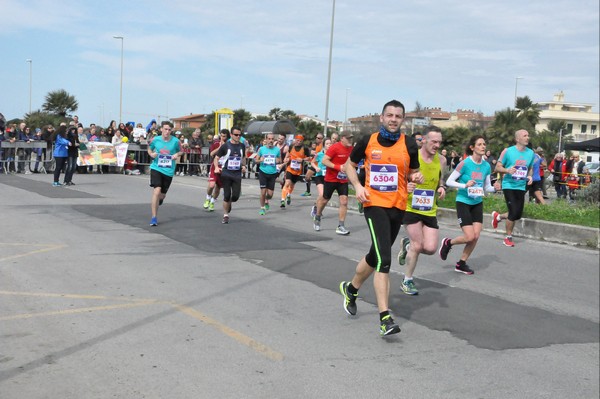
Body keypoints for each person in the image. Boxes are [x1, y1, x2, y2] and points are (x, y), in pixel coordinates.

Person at [339, 99, 422, 337]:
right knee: (384, 260)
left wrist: (415, 178)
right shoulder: (368, 140)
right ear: (381, 117)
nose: (394, 119)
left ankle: (351, 289)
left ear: (402, 120)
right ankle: (385, 318)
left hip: (398, 206)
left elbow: (413, 171)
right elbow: (349, 165)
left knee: (375, 254)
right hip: (373, 204)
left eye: (398, 116)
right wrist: (357, 186)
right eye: (390, 115)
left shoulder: (409, 144)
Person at [396, 126, 447, 295]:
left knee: (431, 248)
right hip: (410, 207)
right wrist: (406, 185)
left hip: (429, 208)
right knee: (418, 245)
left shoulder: (441, 160)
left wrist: (441, 187)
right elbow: (400, 178)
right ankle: (407, 280)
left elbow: (440, 179)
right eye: (433, 141)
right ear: (424, 140)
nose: (437, 145)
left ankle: (407, 244)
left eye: (439, 142)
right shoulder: (412, 156)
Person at [439, 135, 500, 274]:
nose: (483, 146)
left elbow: (486, 188)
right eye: (479, 144)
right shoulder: (465, 163)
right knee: (469, 237)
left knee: (476, 236)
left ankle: (461, 263)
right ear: (472, 147)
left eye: (484, 144)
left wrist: (495, 188)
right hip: (463, 202)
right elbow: (449, 181)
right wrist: (464, 185)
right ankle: (448, 243)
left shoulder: (486, 166)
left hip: (477, 202)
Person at [491, 129, 535, 247]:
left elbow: (530, 167)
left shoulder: (531, 153)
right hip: (509, 185)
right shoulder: (508, 151)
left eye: (528, 135)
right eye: (524, 135)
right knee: (513, 212)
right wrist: (507, 170)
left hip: (521, 186)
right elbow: (497, 167)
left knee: (517, 214)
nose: (527, 137)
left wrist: (530, 176)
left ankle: (498, 216)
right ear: (517, 139)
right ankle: (508, 237)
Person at [313, 131, 354, 234]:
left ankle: (341, 226)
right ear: (342, 138)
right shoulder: (334, 147)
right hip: (331, 179)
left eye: (351, 138)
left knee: (344, 201)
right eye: (348, 138)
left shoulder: (351, 149)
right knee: (324, 200)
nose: (350, 140)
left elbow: (352, 162)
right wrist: (338, 167)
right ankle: (317, 216)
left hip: (343, 179)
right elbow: (324, 161)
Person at [147, 122, 182, 226]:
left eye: (169, 130)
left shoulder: (176, 141)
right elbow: (149, 147)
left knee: (162, 195)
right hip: (156, 168)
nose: (167, 132)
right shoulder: (155, 139)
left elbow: (181, 151)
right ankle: (154, 218)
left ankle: (160, 199)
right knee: (156, 191)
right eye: (165, 129)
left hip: (169, 170)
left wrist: (177, 154)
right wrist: (151, 154)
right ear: (161, 129)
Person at [213, 126, 246, 224]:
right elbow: (216, 158)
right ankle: (225, 215)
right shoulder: (225, 146)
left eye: (240, 135)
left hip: (237, 174)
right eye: (236, 135)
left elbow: (243, 157)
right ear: (231, 135)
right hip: (226, 173)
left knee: (235, 196)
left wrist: (244, 166)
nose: (238, 136)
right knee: (227, 195)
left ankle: (229, 202)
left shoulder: (242, 146)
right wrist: (216, 167)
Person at [280, 135, 311, 208]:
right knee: (287, 183)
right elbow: (288, 153)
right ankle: (282, 200)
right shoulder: (291, 146)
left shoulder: (305, 148)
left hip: (297, 170)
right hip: (289, 168)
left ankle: (289, 194)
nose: (298, 142)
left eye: (300, 141)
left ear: (302, 141)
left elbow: (309, 158)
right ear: (295, 140)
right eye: (297, 140)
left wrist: (302, 160)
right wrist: (286, 158)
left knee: (292, 185)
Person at [256, 133, 282, 215]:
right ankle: (262, 208)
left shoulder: (277, 150)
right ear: (266, 140)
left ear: (274, 140)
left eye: (272, 139)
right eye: (269, 139)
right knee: (263, 192)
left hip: (272, 173)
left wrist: (277, 161)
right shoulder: (261, 149)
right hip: (263, 172)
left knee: (270, 195)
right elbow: (256, 160)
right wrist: (261, 160)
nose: (271, 141)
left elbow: (280, 160)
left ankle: (266, 200)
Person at [203, 129, 228, 211]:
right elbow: (211, 154)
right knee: (211, 185)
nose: (222, 137)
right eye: (221, 136)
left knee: (218, 187)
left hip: (223, 168)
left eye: (224, 136)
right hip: (215, 167)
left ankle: (212, 202)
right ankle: (207, 198)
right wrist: (220, 148)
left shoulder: (229, 145)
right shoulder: (216, 144)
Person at [310, 138, 332, 218]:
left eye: (330, 143)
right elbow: (312, 162)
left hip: (328, 177)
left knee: (325, 197)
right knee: (322, 194)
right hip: (319, 176)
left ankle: (317, 207)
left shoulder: (332, 155)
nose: (329, 145)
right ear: (324, 145)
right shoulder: (319, 154)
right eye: (327, 144)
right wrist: (316, 168)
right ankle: (316, 208)